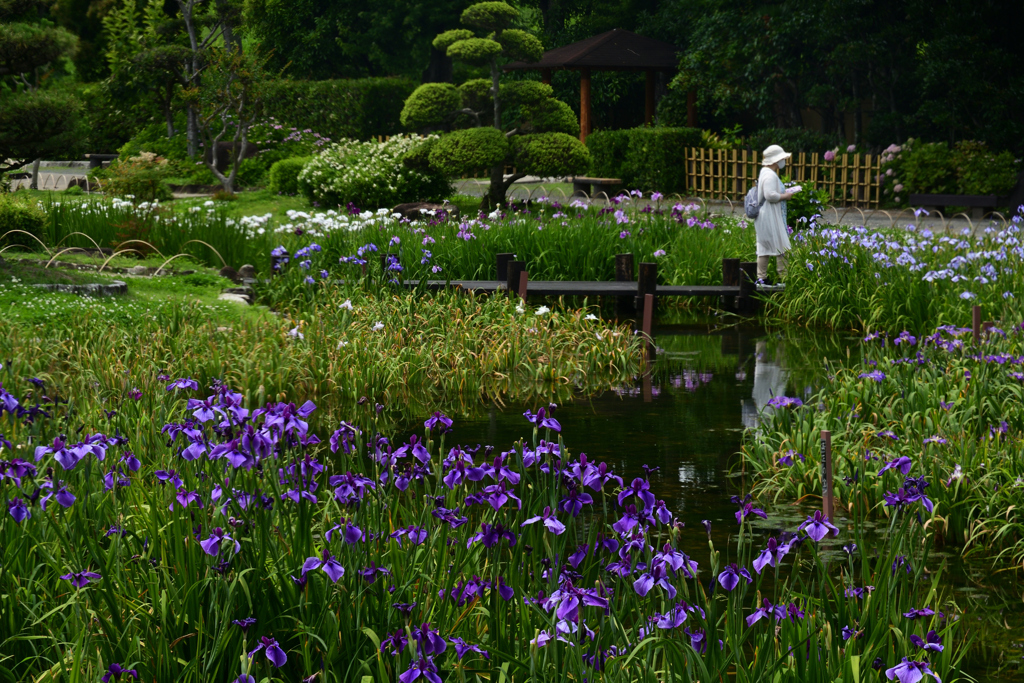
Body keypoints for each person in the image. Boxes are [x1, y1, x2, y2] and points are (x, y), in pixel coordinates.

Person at [755, 145, 801, 282]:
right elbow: (770, 195)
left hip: (765, 215)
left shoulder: (765, 172)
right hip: (770, 216)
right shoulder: (770, 174)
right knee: (782, 245)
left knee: (764, 247)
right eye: (782, 158)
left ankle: (761, 278)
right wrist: (786, 196)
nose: (784, 161)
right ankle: (783, 278)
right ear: (776, 160)